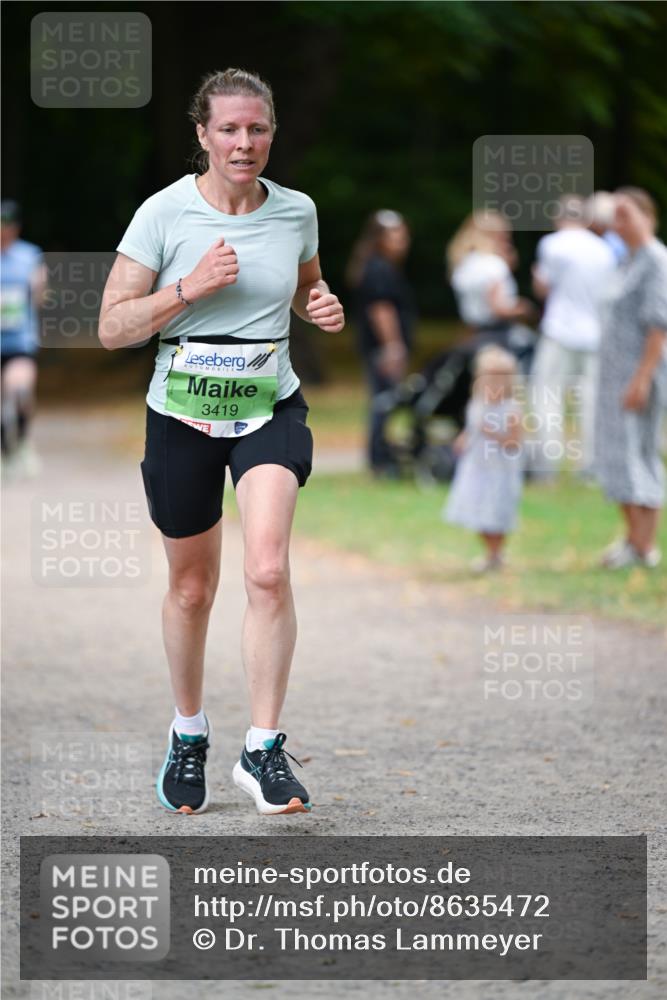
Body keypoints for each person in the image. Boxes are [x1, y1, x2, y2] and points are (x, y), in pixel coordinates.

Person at [98, 68, 344, 815]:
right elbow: (112, 327)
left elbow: (304, 285)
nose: (244, 142)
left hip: (269, 404)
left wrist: (318, 305)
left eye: (257, 128)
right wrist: (190, 287)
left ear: (271, 133)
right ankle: (188, 731)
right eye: (229, 129)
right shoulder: (163, 213)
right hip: (181, 413)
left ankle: (262, 749)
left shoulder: (296, 210)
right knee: (192, 588)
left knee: (266, 571)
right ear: (202, 135)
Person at [595, 187, 667, 569]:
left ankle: (643, 545)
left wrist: (642, 378)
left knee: (638, 453)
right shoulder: (625, 261)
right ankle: (634, 540)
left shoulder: (656, 260)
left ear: (648, 216)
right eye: (615, 215)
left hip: (639, 374)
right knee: (617, 455)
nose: (618, 222)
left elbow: (659, 325)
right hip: (613, 374)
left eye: (626, 214)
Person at [529, 195, 616, 480]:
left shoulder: (552, 244)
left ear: (559, 217)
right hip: (595, 333)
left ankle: (547, 464)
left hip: (560, 329)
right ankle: (590, 465)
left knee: (547, 396)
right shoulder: (603, 249)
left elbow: (544, 288)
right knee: (590, 401)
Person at [346, 210, 415, 475]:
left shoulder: (378, 266)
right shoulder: (379, 270)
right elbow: (381, 309)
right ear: (379, 238)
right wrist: (393, 346)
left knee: (383, 399)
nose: (402, 241)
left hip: (377, 348)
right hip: (382, 348)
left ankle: (382, 454)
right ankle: (380, 459)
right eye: (395, 235)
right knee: (384, 401)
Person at [444, 346, 523, 572]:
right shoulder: (477, 403)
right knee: (478, 512)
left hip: (499, 471)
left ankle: (496, 553)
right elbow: (472, 428)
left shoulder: (511, 409)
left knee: (495, 513)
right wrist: (463, 439)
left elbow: (514, 443)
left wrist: (493, 433)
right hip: (477, 469)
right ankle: (490, 553)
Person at [447, 210, 536, 365]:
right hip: (500, 336)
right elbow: (499, 309)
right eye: (505, 234)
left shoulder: (463, 264)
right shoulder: (494, 265)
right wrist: (524, 308)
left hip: (473, 335)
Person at [1, 199, 47, 476]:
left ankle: (22, 441)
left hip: (19, 341)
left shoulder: (29, 255)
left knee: (19, 389)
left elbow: (40, 297)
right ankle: (5, 452)